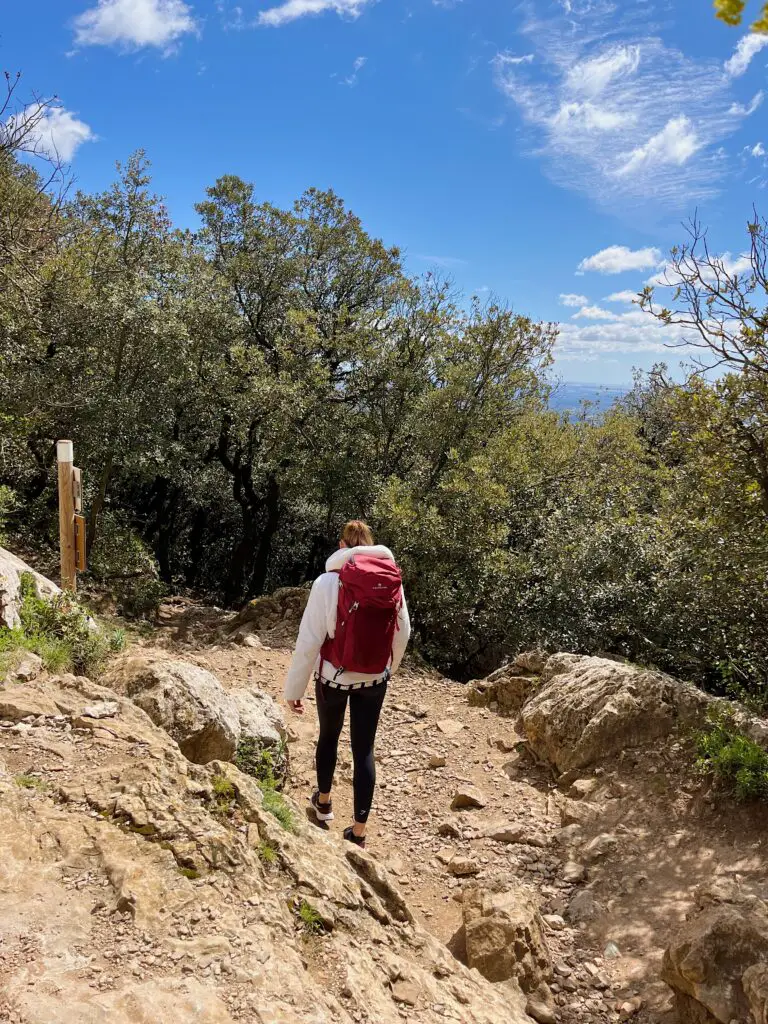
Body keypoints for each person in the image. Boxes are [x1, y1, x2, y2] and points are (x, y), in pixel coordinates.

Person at [284, 521, 410, 848]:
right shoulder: (389, 579)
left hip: (333, 678)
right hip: (374, 679)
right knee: (364, 748)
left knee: (329, 737)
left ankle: (324, 802)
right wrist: (387, 670)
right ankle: (359, 831)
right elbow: (403, 632)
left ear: (342, 546)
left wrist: (294, 690)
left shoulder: (327, 582)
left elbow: (309, 640)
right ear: (370, 545)